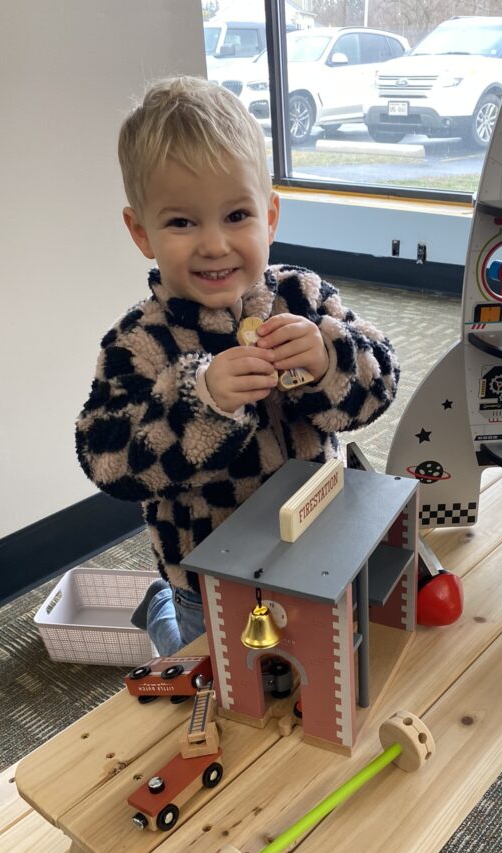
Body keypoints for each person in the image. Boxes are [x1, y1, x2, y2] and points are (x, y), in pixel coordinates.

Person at [75, 77, 400, 656]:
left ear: (269, 216)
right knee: (221, 675)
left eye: (236, 215)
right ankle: (164, 614)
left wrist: (330, 359)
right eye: (181, 222)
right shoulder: (139, 341)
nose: (215, 245)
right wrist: (200, 401)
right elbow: (106, 460)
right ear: (141, 232)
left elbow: (382, 385)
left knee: (323, 662)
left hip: (316, 547)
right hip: (207, 577)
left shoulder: (301, 295)